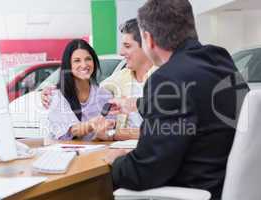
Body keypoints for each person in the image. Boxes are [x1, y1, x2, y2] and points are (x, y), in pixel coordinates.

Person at [104, 0, 249, 199]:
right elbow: (196, 106)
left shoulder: (166, 78)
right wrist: (137, 104)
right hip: (228, 187)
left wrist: (117, 161)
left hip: (195, 191)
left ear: (148, 38)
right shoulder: (220, 59)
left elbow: (145, 172)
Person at [42, 18, 157, 141]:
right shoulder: (118, 80)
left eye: (127, 46)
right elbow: (94, 91)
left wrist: (114, 134)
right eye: (77, 60)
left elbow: (167, 130)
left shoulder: (166, 78)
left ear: (146, 46)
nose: (121, 52)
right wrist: (48, 90)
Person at [48, 39, 115, 141]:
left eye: (88, 59)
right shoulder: (57, 96)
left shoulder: (105, 96)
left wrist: (104, 133)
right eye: (77, 60)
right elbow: (70, 131)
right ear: (68, 65)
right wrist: (91, 124)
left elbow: (110, 131)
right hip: (66, 154)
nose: (84, 65)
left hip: (97, 153)